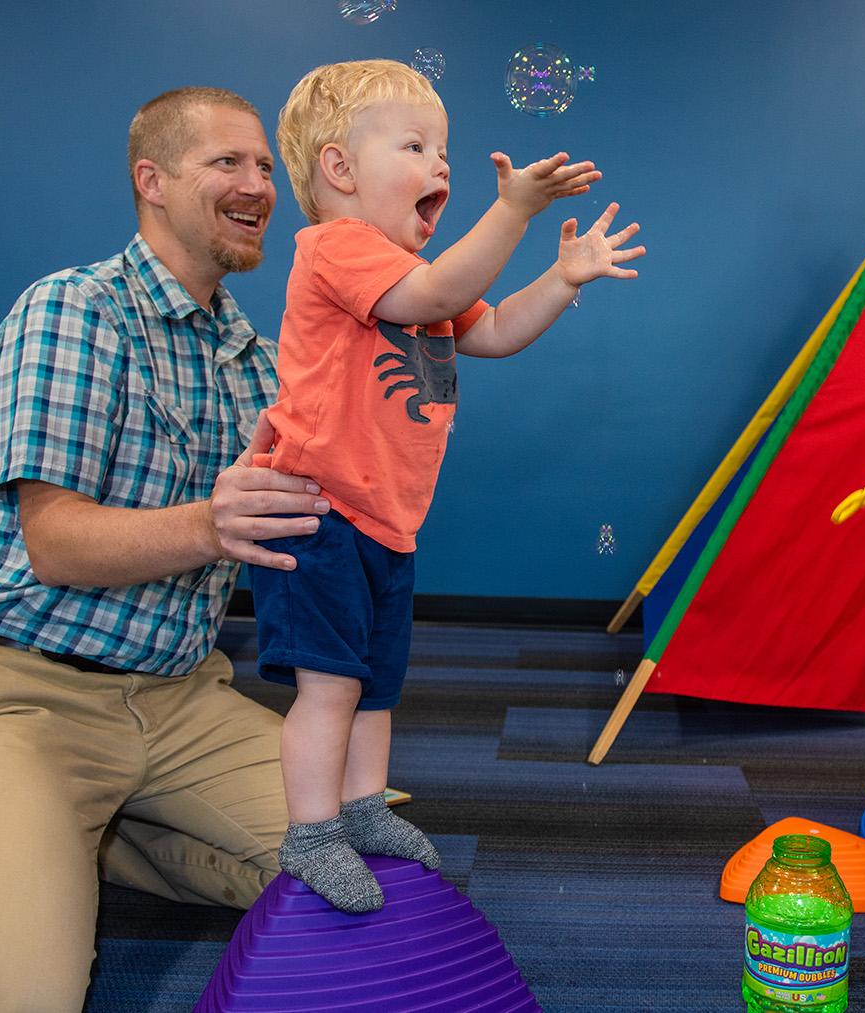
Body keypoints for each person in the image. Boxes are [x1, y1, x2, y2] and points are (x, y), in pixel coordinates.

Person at [0, 87, 329, 1011]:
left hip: (180, 700)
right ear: (153, 181)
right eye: (229, 162)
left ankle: (87, 835)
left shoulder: (259, 363)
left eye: (264, 166)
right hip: (23, 688)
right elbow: (53, 543)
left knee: (369, 877)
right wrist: (211, 524)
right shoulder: (74, 311)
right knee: (16, 1000)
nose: (260, 183)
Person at [255, 59, 644, 912]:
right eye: (417, 145)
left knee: (379, 681)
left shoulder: (410, 272)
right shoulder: (338, 249)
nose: (442, 165)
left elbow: (495, 328)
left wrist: (561, 278)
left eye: (445, 149)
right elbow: (442, 286)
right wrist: (511, 211)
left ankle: (362, 805)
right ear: (340, 169)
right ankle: (311, 830)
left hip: (387, 521)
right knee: (331, 684)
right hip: (316, 513)